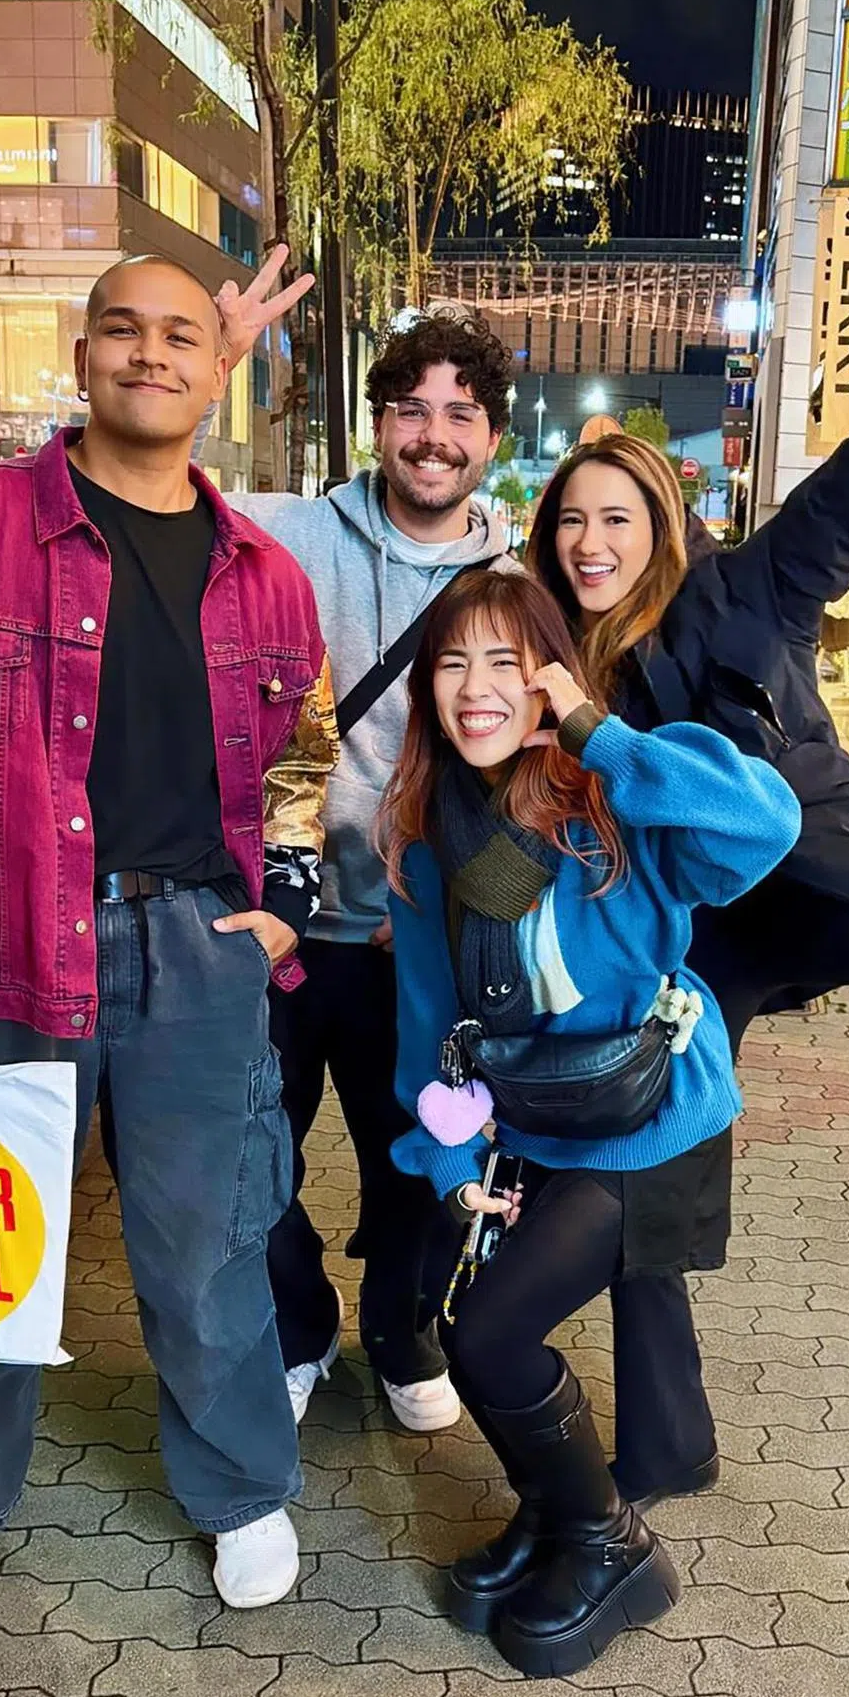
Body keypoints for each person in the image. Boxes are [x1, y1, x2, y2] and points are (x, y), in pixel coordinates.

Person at [0, 248, 338, 1624]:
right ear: (83, 356)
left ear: (214, 368)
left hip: (199, 949)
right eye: (123, 328)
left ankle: (242, 1487)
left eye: (180, 334)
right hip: (10, 944)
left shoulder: (268, 578)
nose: (150, 352)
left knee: (210, 1243)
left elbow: (304, 765)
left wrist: (282, 913)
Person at [378, 568, 800, 1678]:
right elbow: (432, 1026)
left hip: (654, 1120)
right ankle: (558, 1515)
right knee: (474, 1329)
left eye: (505, 662)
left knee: (489, 1334)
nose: (476, 688)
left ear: (549, 680)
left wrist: (600, 737)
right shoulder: (431, 843)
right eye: (452, 663)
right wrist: (451, 1158)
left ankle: (613, 1548)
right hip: (534, 1125)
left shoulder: (613, 803)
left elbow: (767, 821)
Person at [526, 411, 849, 1500]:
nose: (591, 542)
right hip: (697, 941)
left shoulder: (750, 588)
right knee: (648, 1155)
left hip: (813, 874)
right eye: (571, 520)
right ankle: (670, 1441)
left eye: (617, 518)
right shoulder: (551, 650)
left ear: (662, 524)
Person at [227, 311, 518, 1431]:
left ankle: (402, 1330)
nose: (433, 434)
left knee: (425, 1161)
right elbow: (154, 498)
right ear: (379, 424)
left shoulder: (512, 580)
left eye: (460, 413)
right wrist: (214, 361)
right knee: (252, 1154)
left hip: (420, 942)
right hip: (282, 924)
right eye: (411, 410)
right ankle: (299, 1323)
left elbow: (528, 770)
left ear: (490, 438)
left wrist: (456, 904)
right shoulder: (295, 535)